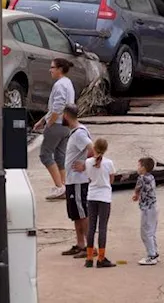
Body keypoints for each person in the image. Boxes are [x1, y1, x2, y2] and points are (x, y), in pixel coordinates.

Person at [32, 58, 76, 201]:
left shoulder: (59, 85)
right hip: (65, 125)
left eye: (52, 67)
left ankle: (59, 186)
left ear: (59, 69)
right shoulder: (68, 83)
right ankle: (64, 185)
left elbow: (57, 106)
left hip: (56, 124)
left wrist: (49, 122)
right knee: (60, 156)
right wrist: (43, 120)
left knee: (45, 155)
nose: (50, 70)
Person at [61, 104, 94, 258]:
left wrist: (84, 164)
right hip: (72, 181)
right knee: (75, 214)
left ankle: (90, 246)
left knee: (82, 213)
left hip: (78, 181)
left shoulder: (79, 134)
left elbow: (93, 149)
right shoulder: (74, 133)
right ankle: (80, 244)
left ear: (66, 115)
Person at [84, 138, 116, 268]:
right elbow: (111, 180)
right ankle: (101, 258)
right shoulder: (109, 163)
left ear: (94, 148)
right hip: (104, 197)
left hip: (92, 195)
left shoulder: (88, 162)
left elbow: (89, 177)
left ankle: (89, 257)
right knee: (102, 227)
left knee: (91, 226)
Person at [133, 156, 159, 265]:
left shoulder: (142, 178)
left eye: (138, 165)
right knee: (151, 231)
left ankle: (151, 255)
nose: (137, 168)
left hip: (147, 208)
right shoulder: (151, 177)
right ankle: (155, 252)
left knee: (145, 232)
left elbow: (137, 188)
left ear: (143, 167)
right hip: (154, 206)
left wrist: (136, 195)